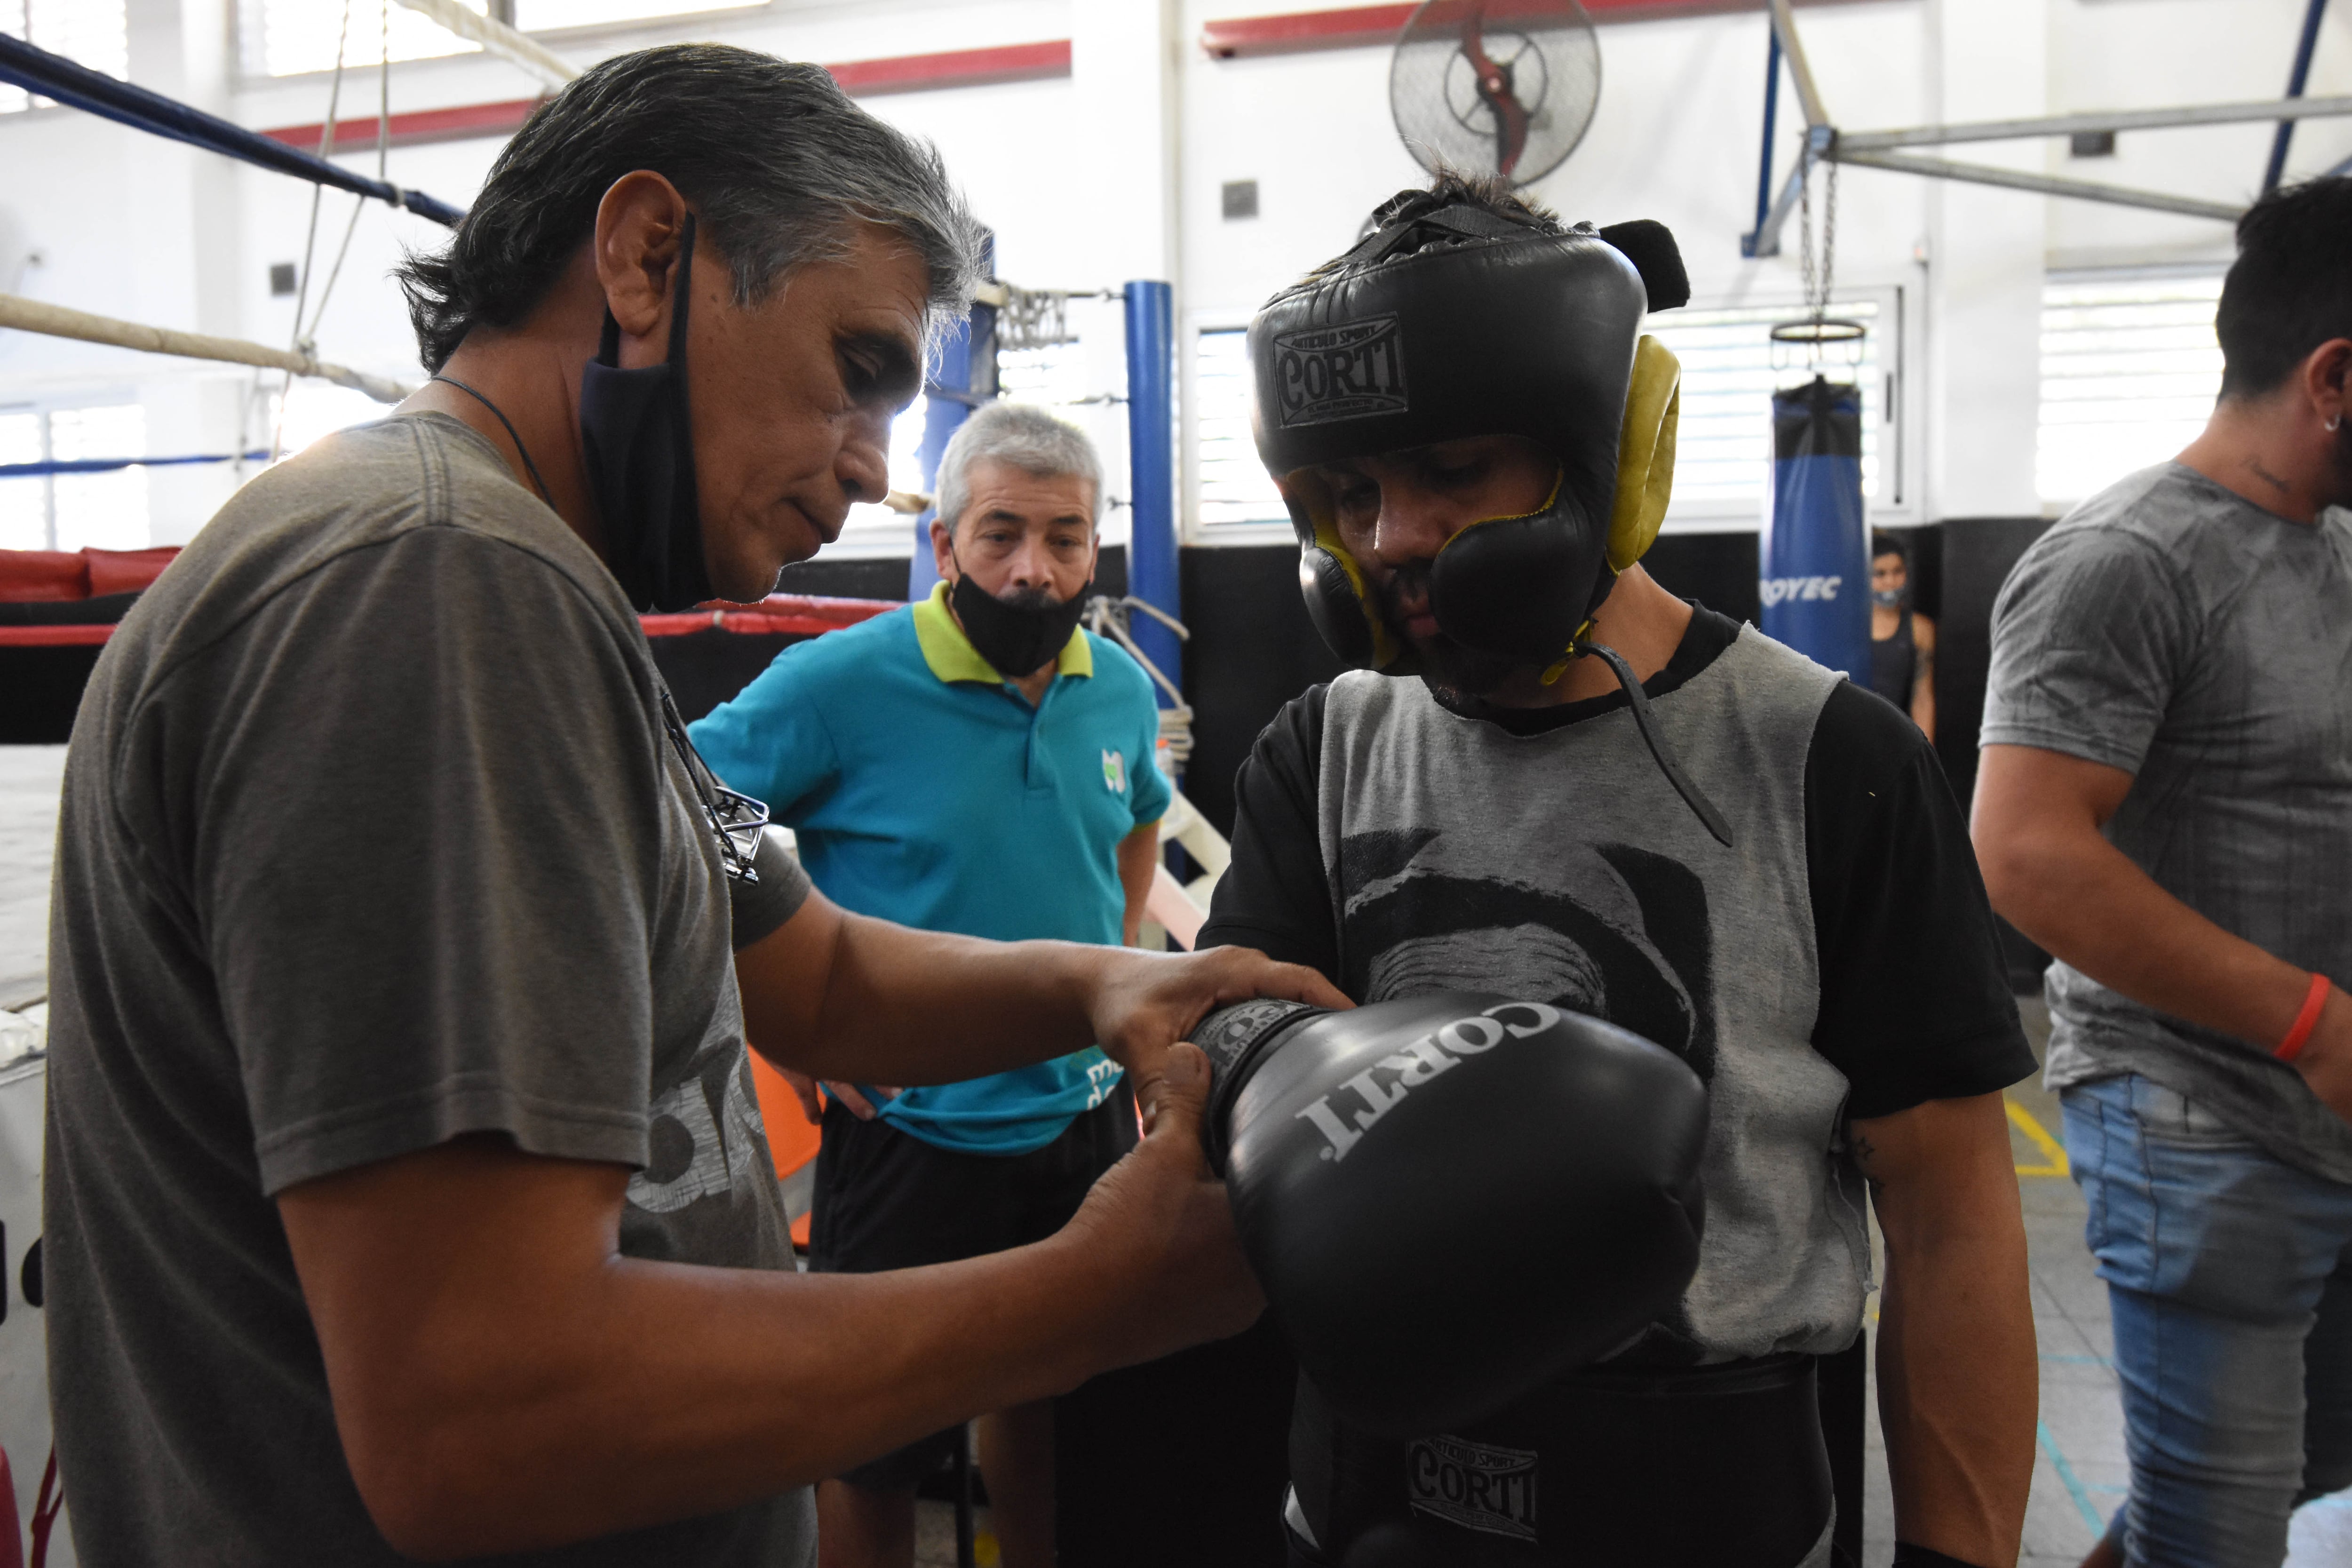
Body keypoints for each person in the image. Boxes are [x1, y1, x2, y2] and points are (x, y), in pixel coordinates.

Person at [42, 46, 1341, 1567]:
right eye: (858, 371)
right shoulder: (438, 583)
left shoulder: (535, 589)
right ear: (648, 256)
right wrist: (1089, 1297)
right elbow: (486, 1414)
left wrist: (1115, 983)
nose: (871, 470)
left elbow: (827, 981)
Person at [1200, 174, 2039, 1568]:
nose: (1392, 537)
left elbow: (1949, 1207)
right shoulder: (1320, 746)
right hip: (1371, 1483)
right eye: (1351, 491)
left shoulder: (1827, 754)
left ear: (1611, 452)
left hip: (1708, 1482)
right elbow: (1240, 1059)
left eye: (1454, 471)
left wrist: (1957, 1556)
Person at [689, 399, 1167, 1568]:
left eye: (1064, 539)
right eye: (1000, 534)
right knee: (872, 1437)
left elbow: (1137, 827)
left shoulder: (1117, 689)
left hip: (1079, 1115)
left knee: (1053, 1397)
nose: (1033, 569)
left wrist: (1121, 978)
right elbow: (680, 811)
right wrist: (794, 1019)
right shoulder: (842, 683)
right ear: (943, 544)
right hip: (913, 1129)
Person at [1974, 176, 2352, 1568]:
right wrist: (2309, 1024)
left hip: (2321, 1112)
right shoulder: (2125, 560)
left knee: (2265, 1480)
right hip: (2199, 1116)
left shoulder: (2333, 553)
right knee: (2221, 1530)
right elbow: (2023, 853)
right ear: (2334, 377)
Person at [1870, 531, 1936, 740]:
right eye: (1880, 574)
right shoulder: (1845, 625)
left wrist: (1926, 759)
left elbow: (1923, 698)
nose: (1890, 581)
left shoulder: (1920, 628)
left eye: (1898, 572)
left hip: (1894, 741)